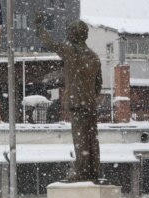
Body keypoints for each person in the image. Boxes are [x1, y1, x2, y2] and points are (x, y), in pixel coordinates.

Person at [36, 12, 102, 182]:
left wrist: (39, 25)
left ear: (73, 34)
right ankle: (94, 170)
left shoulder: (70, 51)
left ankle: (81, 172)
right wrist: (88, 95)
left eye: (70, 32)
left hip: (77, 104)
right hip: (90, 104)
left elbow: (49, 43)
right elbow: (98, 85)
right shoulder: (94, 57)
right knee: (92, 139)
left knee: (80, 139)